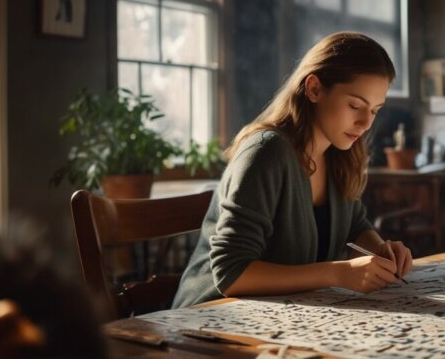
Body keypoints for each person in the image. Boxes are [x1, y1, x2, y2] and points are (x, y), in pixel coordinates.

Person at [173, 31, 413, 308]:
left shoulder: (341, 154)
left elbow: (354, 225)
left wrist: (382, 250)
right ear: (314, 89)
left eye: (375, 110)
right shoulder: (265, 153)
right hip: (213, 317)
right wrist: (338, 273)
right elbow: (231, 274)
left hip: (286, 313)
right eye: (355, 105)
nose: (365, 123)